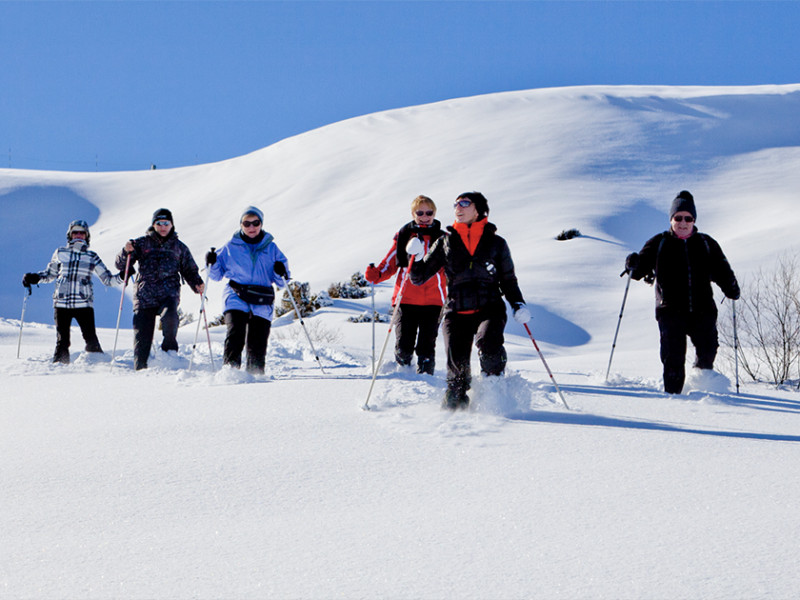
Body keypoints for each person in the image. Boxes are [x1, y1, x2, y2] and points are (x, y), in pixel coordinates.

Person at [408, 192, 531, 409]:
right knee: (457, 371)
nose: (458, 207)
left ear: (478, 210)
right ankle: (455, 410)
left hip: (489, 307)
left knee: (488, 342)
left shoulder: (496, 243)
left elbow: (508, 280)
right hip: (456, 310)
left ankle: (495, 393)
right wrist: (416, 258)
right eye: (456, 204)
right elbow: (418, 277)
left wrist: (518, 304)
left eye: (464, 203)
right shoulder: (445, 242)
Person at [625, 190, 740, 394]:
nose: (683, 223)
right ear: (671, 219)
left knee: (708, 350)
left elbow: (722, 269)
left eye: (688, 218)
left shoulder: (706, 243)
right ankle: (674, 399)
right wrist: (632, 263)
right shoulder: (659, 242)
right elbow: (639, 270)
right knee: (673, 356)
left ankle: (701, 388)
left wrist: (730, 287)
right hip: (670, 310)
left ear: (694, 220)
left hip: (703, 309)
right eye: (678, 218)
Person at [364, 195, 447, 375]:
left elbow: (455, 267)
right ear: (413, 214)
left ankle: (426, 378)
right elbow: (390, 263)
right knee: (403, 345)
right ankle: (404, 373)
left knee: (426, 346)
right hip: (405, 299)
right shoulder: (404, 236)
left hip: (434, 301)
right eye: (420, 213)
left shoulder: (443, 239)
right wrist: (376, 274)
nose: (425, 217)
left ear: (434, 214)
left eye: (429, 213)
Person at [116, 208, 204, 370]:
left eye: (166, 223)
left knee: (170, 318)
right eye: (159, 223)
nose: (163, 227)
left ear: (172, 225)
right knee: (142, 334)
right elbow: (122, 264)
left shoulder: (179, 247)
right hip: (144, 296)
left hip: (168, 294)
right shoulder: (141, 243)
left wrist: (197, 283)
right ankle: (140, 368)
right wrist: (125, 251)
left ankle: (169, 356)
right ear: (153, 225)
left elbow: (189, 269)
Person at [205, 207, 289, 374]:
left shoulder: (272, 248)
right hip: (236, 295)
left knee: (258, 342)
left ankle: (255, 376)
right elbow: (216, 275)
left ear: (261, 224)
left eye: (255, 223)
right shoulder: (230, 246)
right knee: (235, 333)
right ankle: (230, 373)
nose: (251, 227)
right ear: (241, 225)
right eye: (247, 223)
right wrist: (212, 263)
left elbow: (282, 281)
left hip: (262, 298)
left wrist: (280, 272)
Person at [22, 220, 119, 364]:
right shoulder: (60, 253)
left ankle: (98, 367)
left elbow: (108, 280)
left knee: (91, 340)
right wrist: (36, 278)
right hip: (61, 304)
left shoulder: (91, 256)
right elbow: (50, 274)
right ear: (70, 235)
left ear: (87, 236)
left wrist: (122, 277)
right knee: (62, 341)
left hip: (83, 304)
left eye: (82, 233)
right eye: (75, 232)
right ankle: (59, 369)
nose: (78, 235)